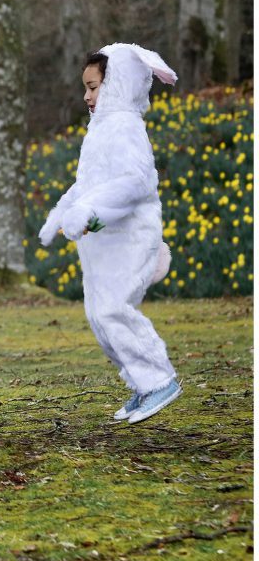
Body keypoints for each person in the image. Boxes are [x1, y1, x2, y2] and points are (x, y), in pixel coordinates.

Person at [39, 43, 181, 424]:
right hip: (103, 242)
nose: (86, 96)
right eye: (85, 88)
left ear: (116, 84)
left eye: (94, 86)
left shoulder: (125, 126)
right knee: (99, 315)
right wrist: (63, 212)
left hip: (130, 236)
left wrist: (89, 209)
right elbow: (87, 182)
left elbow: (134, 181)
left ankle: (158, 379)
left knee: (113, 309)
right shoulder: (99, 129)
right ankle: (140, 381)